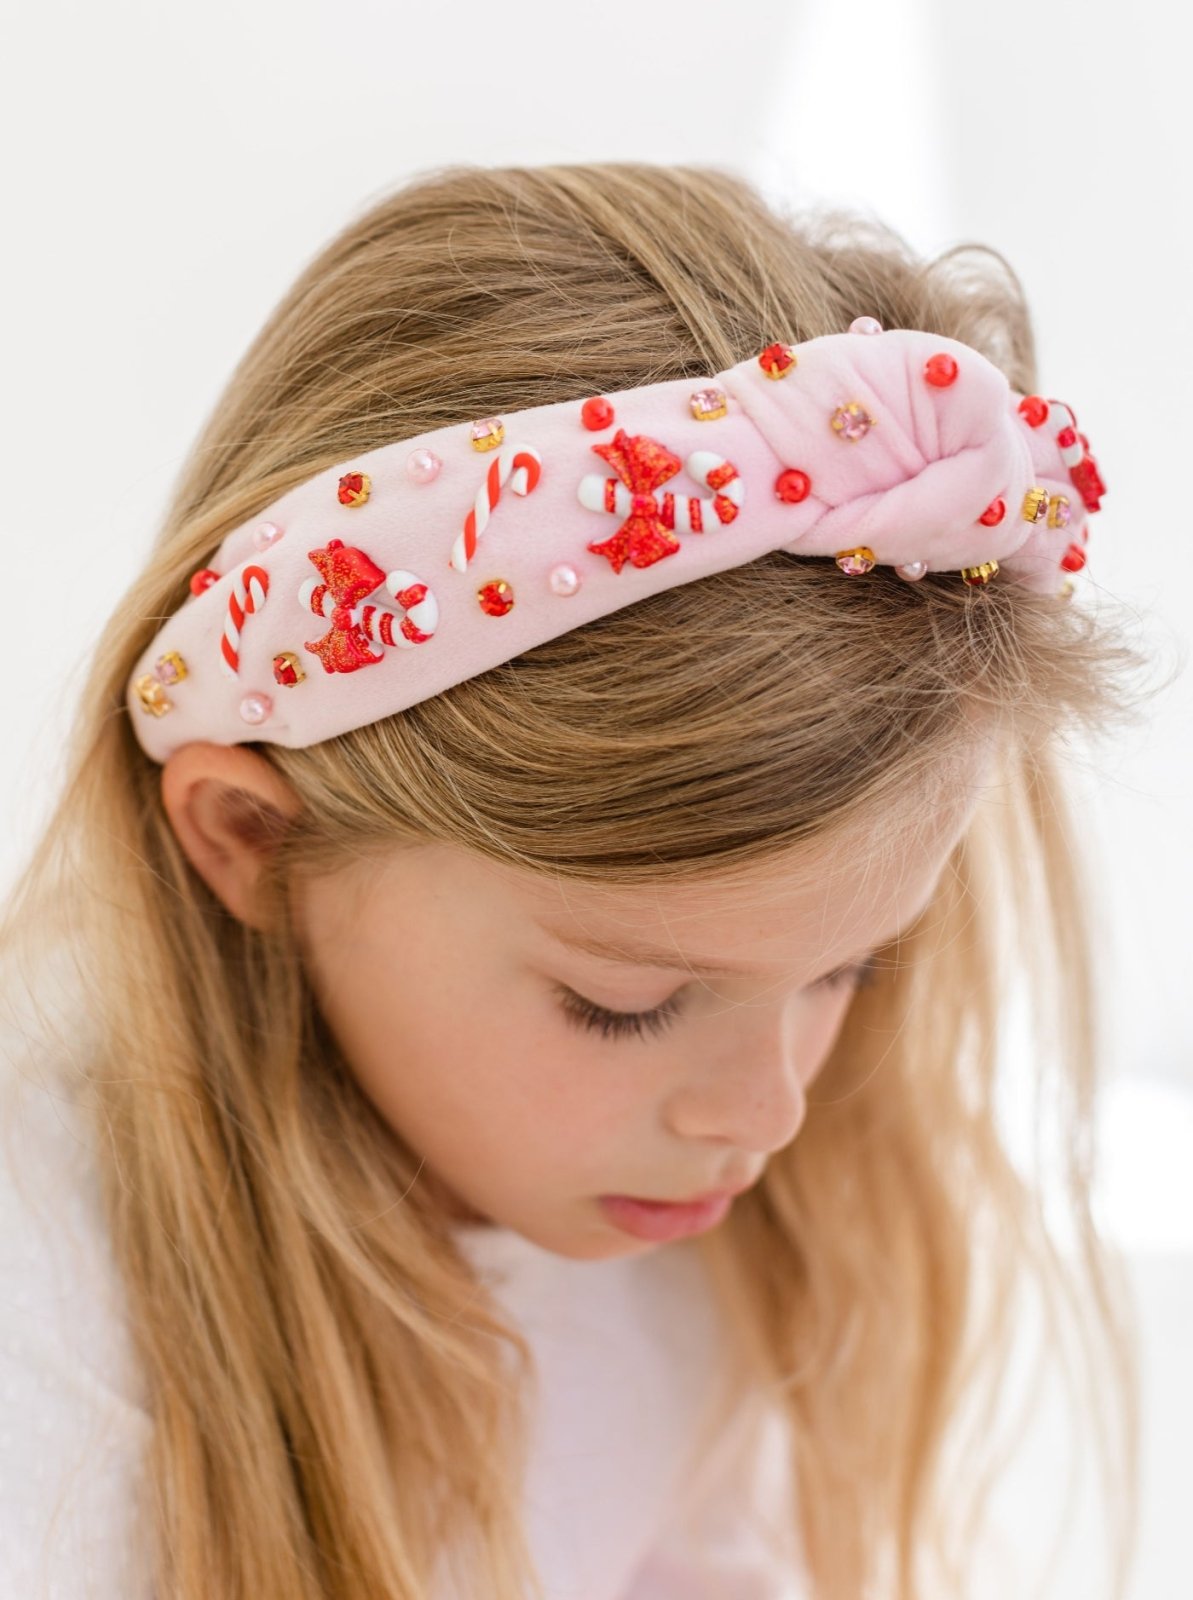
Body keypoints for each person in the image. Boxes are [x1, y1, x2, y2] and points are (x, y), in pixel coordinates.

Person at [0, 161, 1164, 1600]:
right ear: (251, 840)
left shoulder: (699, 1259)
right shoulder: (48, 1346)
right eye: (625, 1002)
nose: (767, 1115)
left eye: (848, 970)